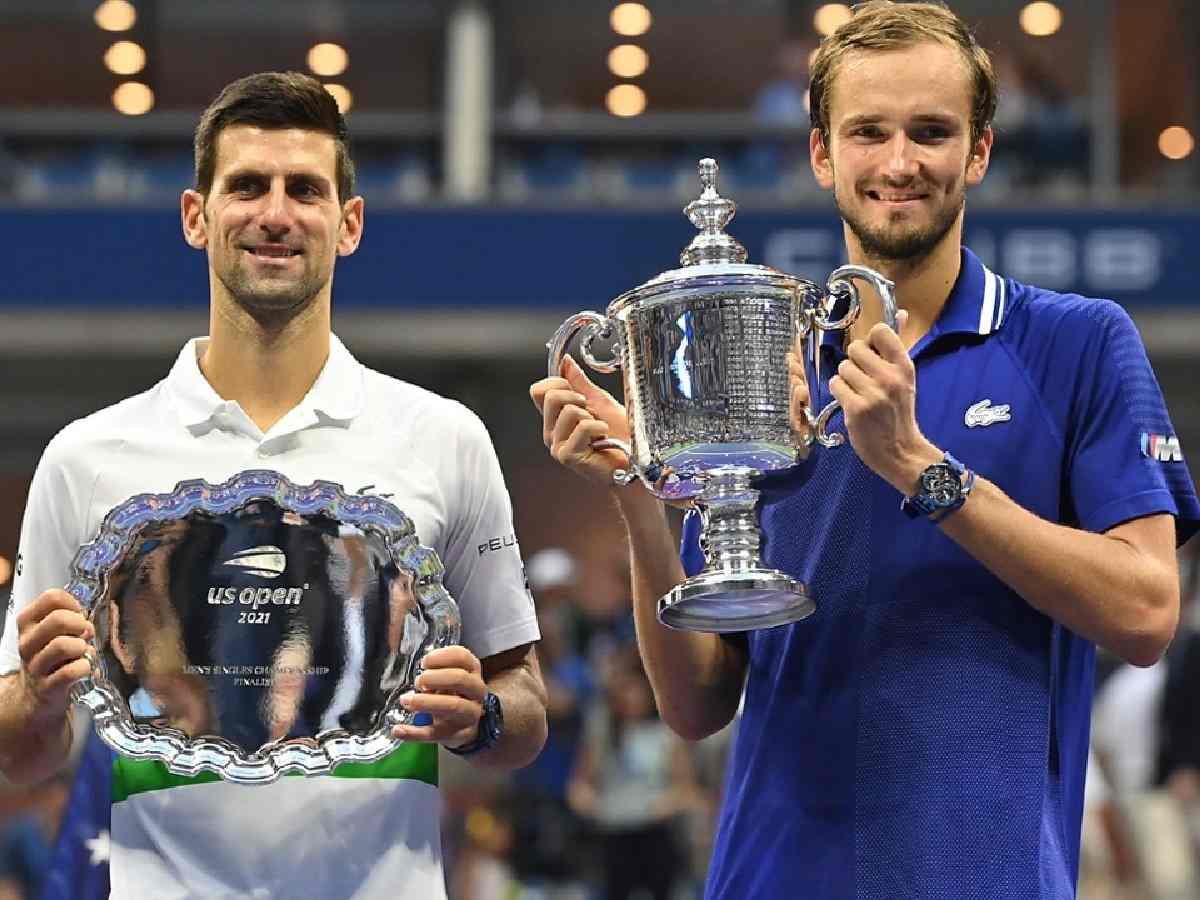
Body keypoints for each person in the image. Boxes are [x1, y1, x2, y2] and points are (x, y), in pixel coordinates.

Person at [530, 3, 1200, 898]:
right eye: (868, 132)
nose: (899, 163)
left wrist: (923, 471)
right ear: (821, 154)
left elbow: (1148, 612)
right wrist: (637, 498)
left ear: (979, 151)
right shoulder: (763, 371)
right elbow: (695, 706)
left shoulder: (1076, 343)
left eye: (931, 132)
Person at [0, 71, 547, 900]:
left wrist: (484, 718)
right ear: (197, 216)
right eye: (247, 185)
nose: (276, 214)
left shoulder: (444, 439)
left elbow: (525, 704)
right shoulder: (88, 458)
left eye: (306, 189)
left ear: (348, 223)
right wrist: (39, 694)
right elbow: (19, 757)